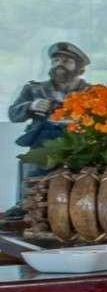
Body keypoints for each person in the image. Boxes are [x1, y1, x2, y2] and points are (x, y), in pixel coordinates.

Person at [7, 41, 89, 218]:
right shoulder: (34, 89)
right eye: (56, 60)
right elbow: (13, 114)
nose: (59, 64)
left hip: (77, 143)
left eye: (66, 61)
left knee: (80, 179)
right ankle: (26, 205)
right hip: (43, 140)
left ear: (80, 69)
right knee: (33, 172)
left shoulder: (91, 92)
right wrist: (30, 106)